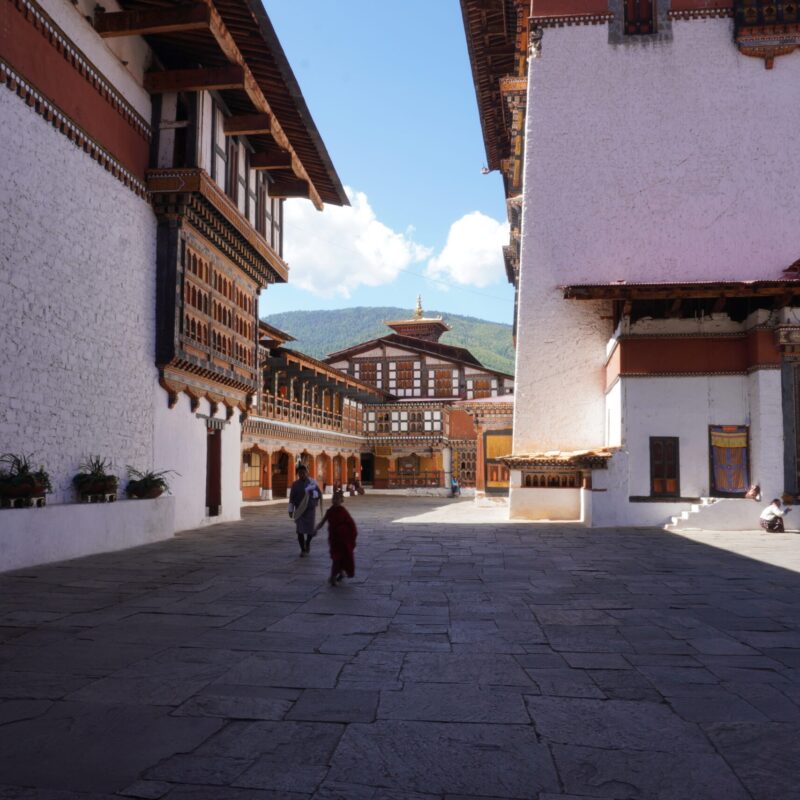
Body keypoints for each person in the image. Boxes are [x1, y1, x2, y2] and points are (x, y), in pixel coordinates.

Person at [316, 488, 358, 586]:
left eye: (337, 499)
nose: (335, 501)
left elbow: (351, 525)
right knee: (337, 557)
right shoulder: (329, 511)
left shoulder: (343, 511)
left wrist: (349, 535)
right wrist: (315, 529)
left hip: (343, 539)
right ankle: (341, 573)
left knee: (338, 558)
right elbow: (322, 522)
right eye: (333, 499)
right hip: (334, 539)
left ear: (341, 501)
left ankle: (333, 577)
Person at [288, 464, 322, 556]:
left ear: (307, 473)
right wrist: (290, 510)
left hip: (310, 510)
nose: (302, 474)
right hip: (300, 510)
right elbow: (291, 498)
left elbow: (319, 494)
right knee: (300, 531)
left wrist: (313, 494)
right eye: (300, 473)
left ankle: (308, 542)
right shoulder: (295, 484)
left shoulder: (312, 483)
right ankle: (303, 549)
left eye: (304, 472)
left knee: (310, 530)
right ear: (298, 474)